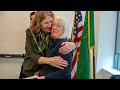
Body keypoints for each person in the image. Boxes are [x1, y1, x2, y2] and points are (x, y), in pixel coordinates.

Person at [19, 11, 76, 79]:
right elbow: (30, 55)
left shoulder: (54, 32)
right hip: (31, 70)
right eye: (46, 23)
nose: (50, 25)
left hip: (45, 73)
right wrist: (49, 61)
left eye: (51, 22)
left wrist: (72, 45)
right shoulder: (31, 32)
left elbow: (66, 39)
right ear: (38, 23)